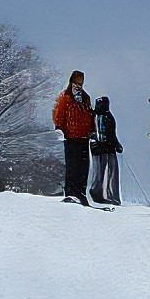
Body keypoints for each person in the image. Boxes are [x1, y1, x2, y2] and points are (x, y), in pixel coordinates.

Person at [51, 71, 95, 205]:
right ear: (71, 82)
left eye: (81, 83)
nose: (79, 86)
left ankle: (81, 193)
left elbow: (90, 116)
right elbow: (59, 113)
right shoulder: (65, 97)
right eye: (76, 83)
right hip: (70, 136)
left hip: (84, 137)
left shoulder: (86, 97)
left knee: (83, 166)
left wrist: (92, 131)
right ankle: (71, 193)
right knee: (72, 166)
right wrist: (59, 128)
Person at [88, 96, 123, 205]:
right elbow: (91, 132)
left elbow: (112, 134)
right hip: (98, 148)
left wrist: (116, 144)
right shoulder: (93, 116)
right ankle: (96, 193)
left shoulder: (108, 117)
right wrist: (94, 142)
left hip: (109, 147)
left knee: (111, 172)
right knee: (98, 172)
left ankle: (112, 196)